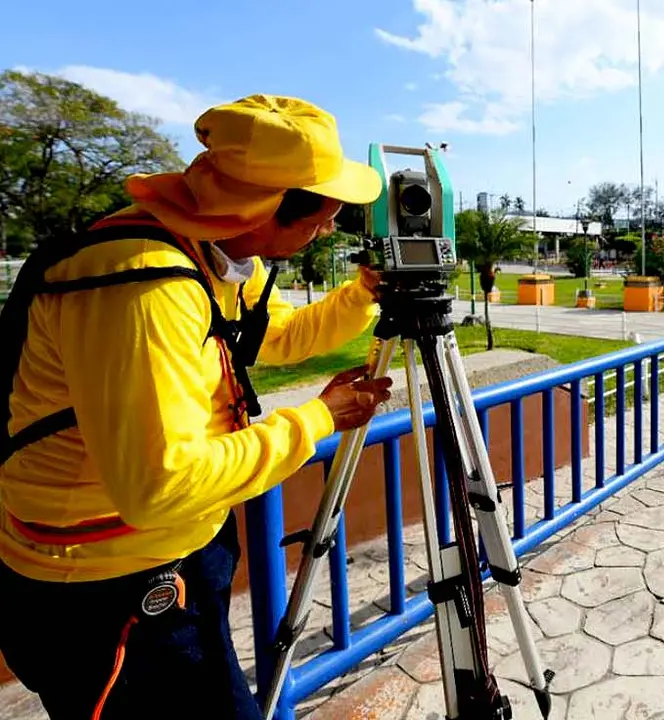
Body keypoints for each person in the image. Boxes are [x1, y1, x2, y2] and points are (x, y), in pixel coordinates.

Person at [0, 94, 395, 719]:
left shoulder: (212, 253)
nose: (328, 229)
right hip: (107, 585)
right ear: (266, 208)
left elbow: (276, 335)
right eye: (322, 216)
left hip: (172, 552)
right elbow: (160, 484)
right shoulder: (144, 284)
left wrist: (361, 295)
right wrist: (319, 418)